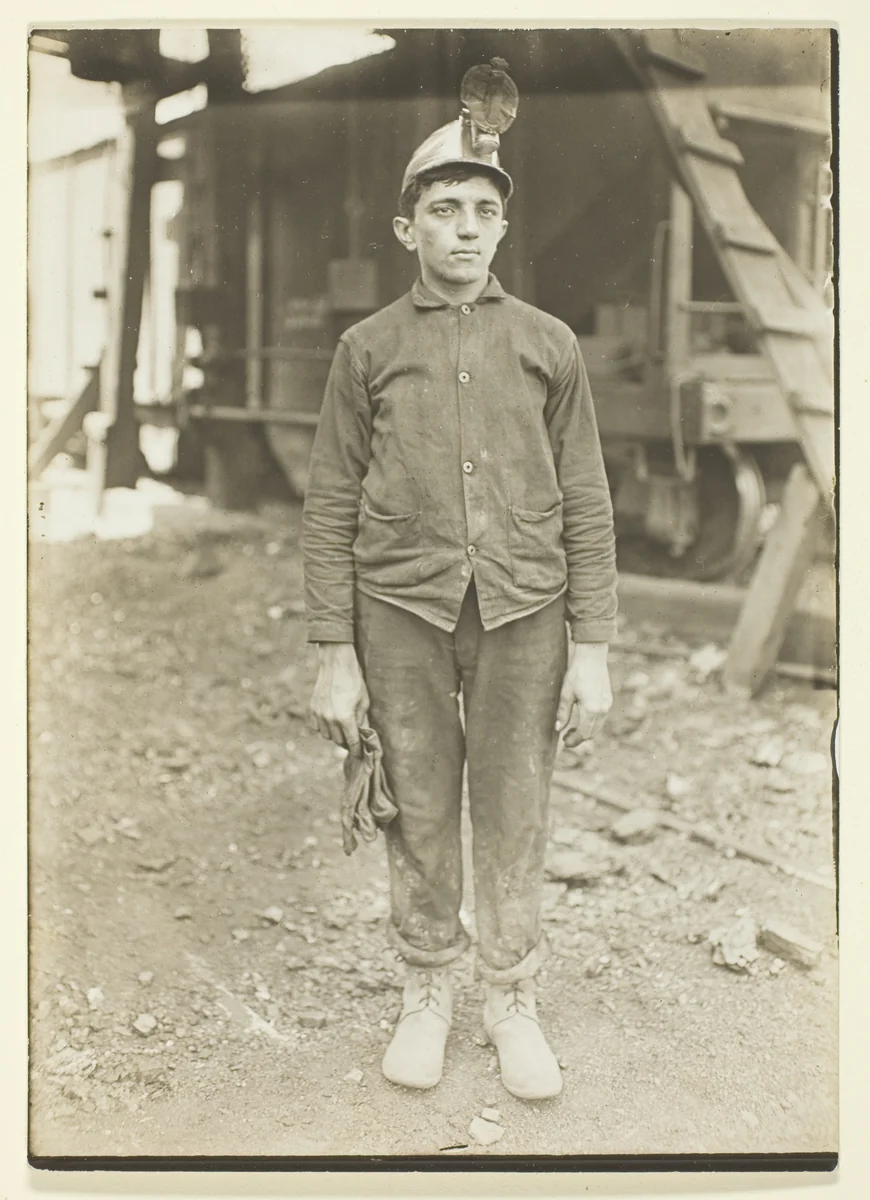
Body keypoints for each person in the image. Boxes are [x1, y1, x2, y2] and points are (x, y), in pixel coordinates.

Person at [303, 63, 617, 1101]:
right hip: (399, 610)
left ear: (501, 227)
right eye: (445, 209)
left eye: (485, 210)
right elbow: (332, 505)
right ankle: (426, 992)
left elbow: (586, 499)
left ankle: (512, 1000)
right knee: (419, 802)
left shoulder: (548, 346)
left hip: (526, 613)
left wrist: (599, 649)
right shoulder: (367, 351)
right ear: (409, 230)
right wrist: (332, 654)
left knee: (515, 803)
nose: (468, 228)